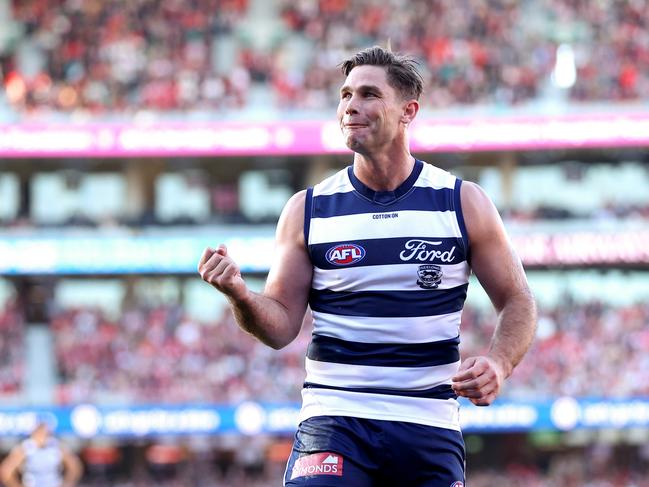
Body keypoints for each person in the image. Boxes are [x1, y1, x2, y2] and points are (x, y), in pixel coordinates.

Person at [198, 46, 537, 486]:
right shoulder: (309, 210)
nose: (350, 106)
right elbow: (280, 327)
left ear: (407, 111)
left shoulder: (461, 202)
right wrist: (240, 295)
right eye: (344, 95)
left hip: (428, 424)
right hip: (335, 420)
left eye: (368, 94)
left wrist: (498, 363)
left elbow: (518, 301)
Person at [0, 418, 83, 487]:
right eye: (39, 433)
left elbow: (75, 466)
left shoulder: (56, 447)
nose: (42, 437)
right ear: (33, 434)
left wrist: (67, 483)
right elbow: (6, 471)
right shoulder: (25, 448)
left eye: (44, 434)